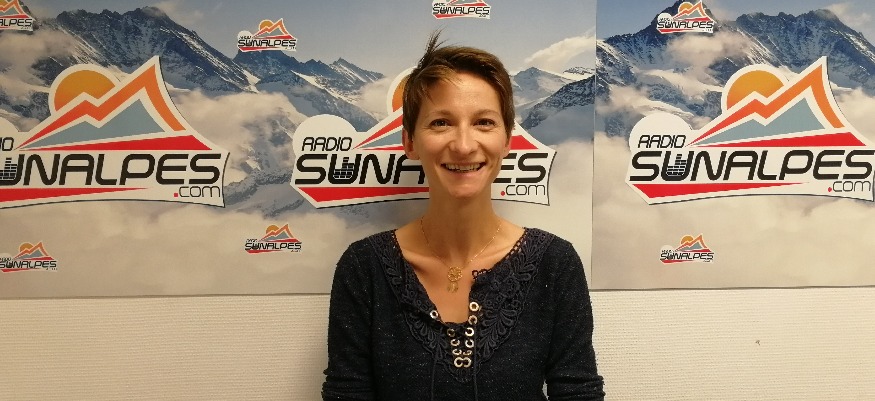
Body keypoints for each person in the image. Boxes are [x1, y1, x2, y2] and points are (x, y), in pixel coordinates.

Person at [322, 32, 604, 400]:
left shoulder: (555, 263)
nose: (464, 145)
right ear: (410, 142)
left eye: (484, 122)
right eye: (441, 123)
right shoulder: (363, 269)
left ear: (507, 140)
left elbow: (578, 392)